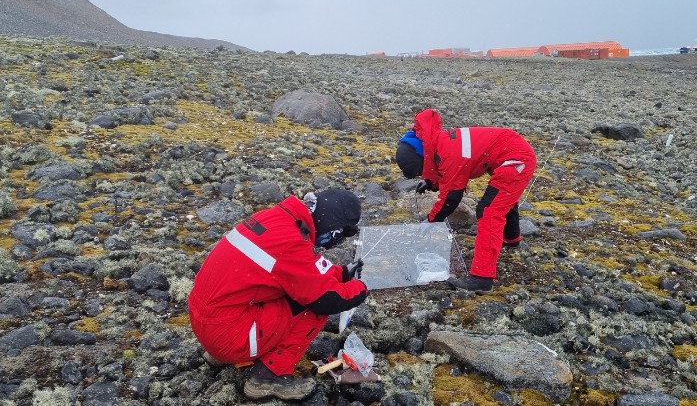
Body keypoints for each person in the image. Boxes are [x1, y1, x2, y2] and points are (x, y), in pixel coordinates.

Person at [188, 188, 368, 401]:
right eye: (339, 235)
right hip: (229, 337)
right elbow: (325, 299)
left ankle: (223, 351)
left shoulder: (278, 219)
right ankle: (269, 375)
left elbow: (299, 268)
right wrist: (360, 288)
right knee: (311, 306)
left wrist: (341, 273)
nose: (333, 243)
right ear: (333, 227)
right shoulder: (292, 242)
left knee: (294, 290)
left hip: (207, 324)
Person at [395, 108, 537, 292]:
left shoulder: (448, 154)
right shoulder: (439, 143)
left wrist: (431, 221)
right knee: (503, 198)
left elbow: (451, 198)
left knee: (489, 210)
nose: (421, 172)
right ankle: (512, 239)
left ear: (422, 158)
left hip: (516, 159)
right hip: (511, 151)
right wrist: (429, 181)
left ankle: (482, 278)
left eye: (420, 170)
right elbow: (441, 168)